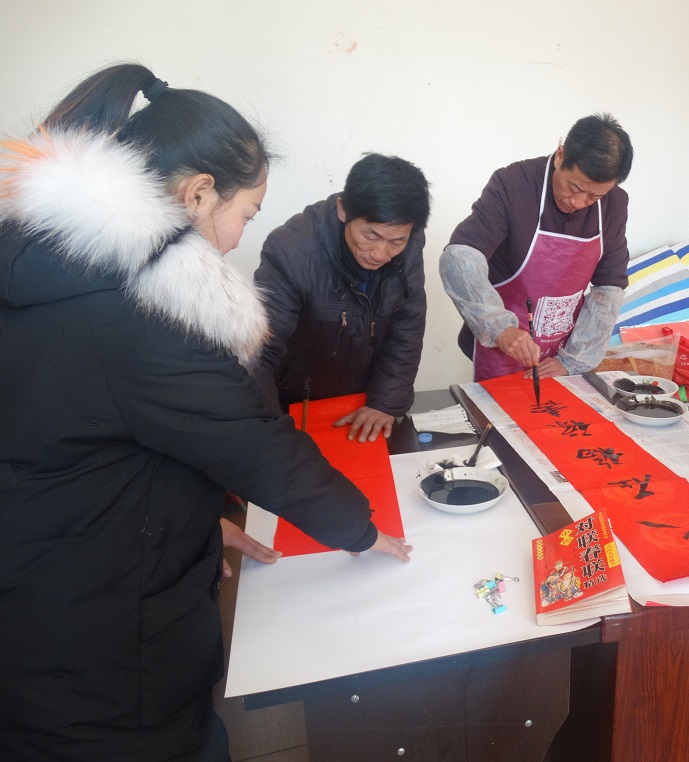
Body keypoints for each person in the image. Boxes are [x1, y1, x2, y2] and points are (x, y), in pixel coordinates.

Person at [0, 63, 411, 761]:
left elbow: (77, 443)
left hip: (41, 588)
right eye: (245, 213)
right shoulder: (141, 311)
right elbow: (256, 445)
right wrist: (361, 530)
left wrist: (194, 518)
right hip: (95, 658)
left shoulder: (51, 264)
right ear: (197, 193)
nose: (238, 237)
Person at [440, 113, 633, 381]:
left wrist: (573, 360)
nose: (578, 202)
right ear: (561, 156)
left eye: (594, 196)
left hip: (562, 349)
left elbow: (609, 288)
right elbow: (460, 257)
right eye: (574, 187)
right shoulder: (513, 184)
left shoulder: (614, 205)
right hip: (502, 341)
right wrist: (499, 328)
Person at [253, 154, 431, 442]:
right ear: (343, 210)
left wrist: (385, 402)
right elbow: (260, 352)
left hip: (364, 399)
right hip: (295, 400)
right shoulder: (290, 252)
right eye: (371, 236)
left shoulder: (409, 245)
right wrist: (270, 432)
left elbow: (407, 326)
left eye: (396, 241)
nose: (380, 254)